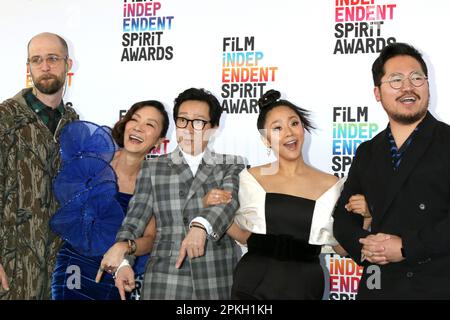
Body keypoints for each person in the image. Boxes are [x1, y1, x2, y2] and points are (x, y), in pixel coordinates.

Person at [104, 87, 246, 300]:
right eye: (183, 120)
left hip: (217, 280)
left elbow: (226, 205)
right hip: (165, 281)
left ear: (214, 127)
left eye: (198, 122)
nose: (189, 129)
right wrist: (124, 262)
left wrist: (200, 226)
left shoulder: (230, 165)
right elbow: (134, 220)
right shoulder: (153, 167)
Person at [333, 42, 450, 299]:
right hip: (379, 285)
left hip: (437, 282)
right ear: (377, 92)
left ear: (428, 84)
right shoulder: (368, 151)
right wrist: (367, 248)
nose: (408, 87)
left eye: (416, 78)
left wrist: (407, 247)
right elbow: (342, 220)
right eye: (395, 80)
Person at [226, 89, 348, 300]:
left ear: (303, 128)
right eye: (277, 128)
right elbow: (245, 236)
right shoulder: (249, 179)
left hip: (304, 286)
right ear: (265, 140)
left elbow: (343, 248)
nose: (289, 133)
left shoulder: (332, 185)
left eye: (294, 123)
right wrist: (215, 208)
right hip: (253, 284)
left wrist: (365, 216)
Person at [50, 100, 169, 300]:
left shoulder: (155, 181)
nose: (139, 128)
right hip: (75, 263)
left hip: (118, 273)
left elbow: (149, 240)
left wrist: (125, 247)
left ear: (158, 141)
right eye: (135, 119)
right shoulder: (95, 159)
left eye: (150, 125)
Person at [0, 32, 79, 299]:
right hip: (11, 262)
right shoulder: (5, 117)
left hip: (58, 262)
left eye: (53, 58)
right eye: (36, 60)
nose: (44, 66)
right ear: (29, 67)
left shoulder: (73, 124)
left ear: (68, 64)